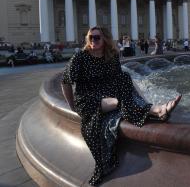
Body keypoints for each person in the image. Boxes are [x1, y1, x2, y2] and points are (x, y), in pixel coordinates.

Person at [61, 26, 181, 186]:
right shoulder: (80, 57)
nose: (92, 41)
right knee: (118, 102)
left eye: (96, 37)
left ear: (105, 39)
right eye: (90, 37)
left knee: (124, 78)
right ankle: (157, 110)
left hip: (106, 94)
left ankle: (154, 109)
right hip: (88, 99)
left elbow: (119, 79)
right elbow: (65, 82)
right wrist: (72, 106)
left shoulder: (111, 56)